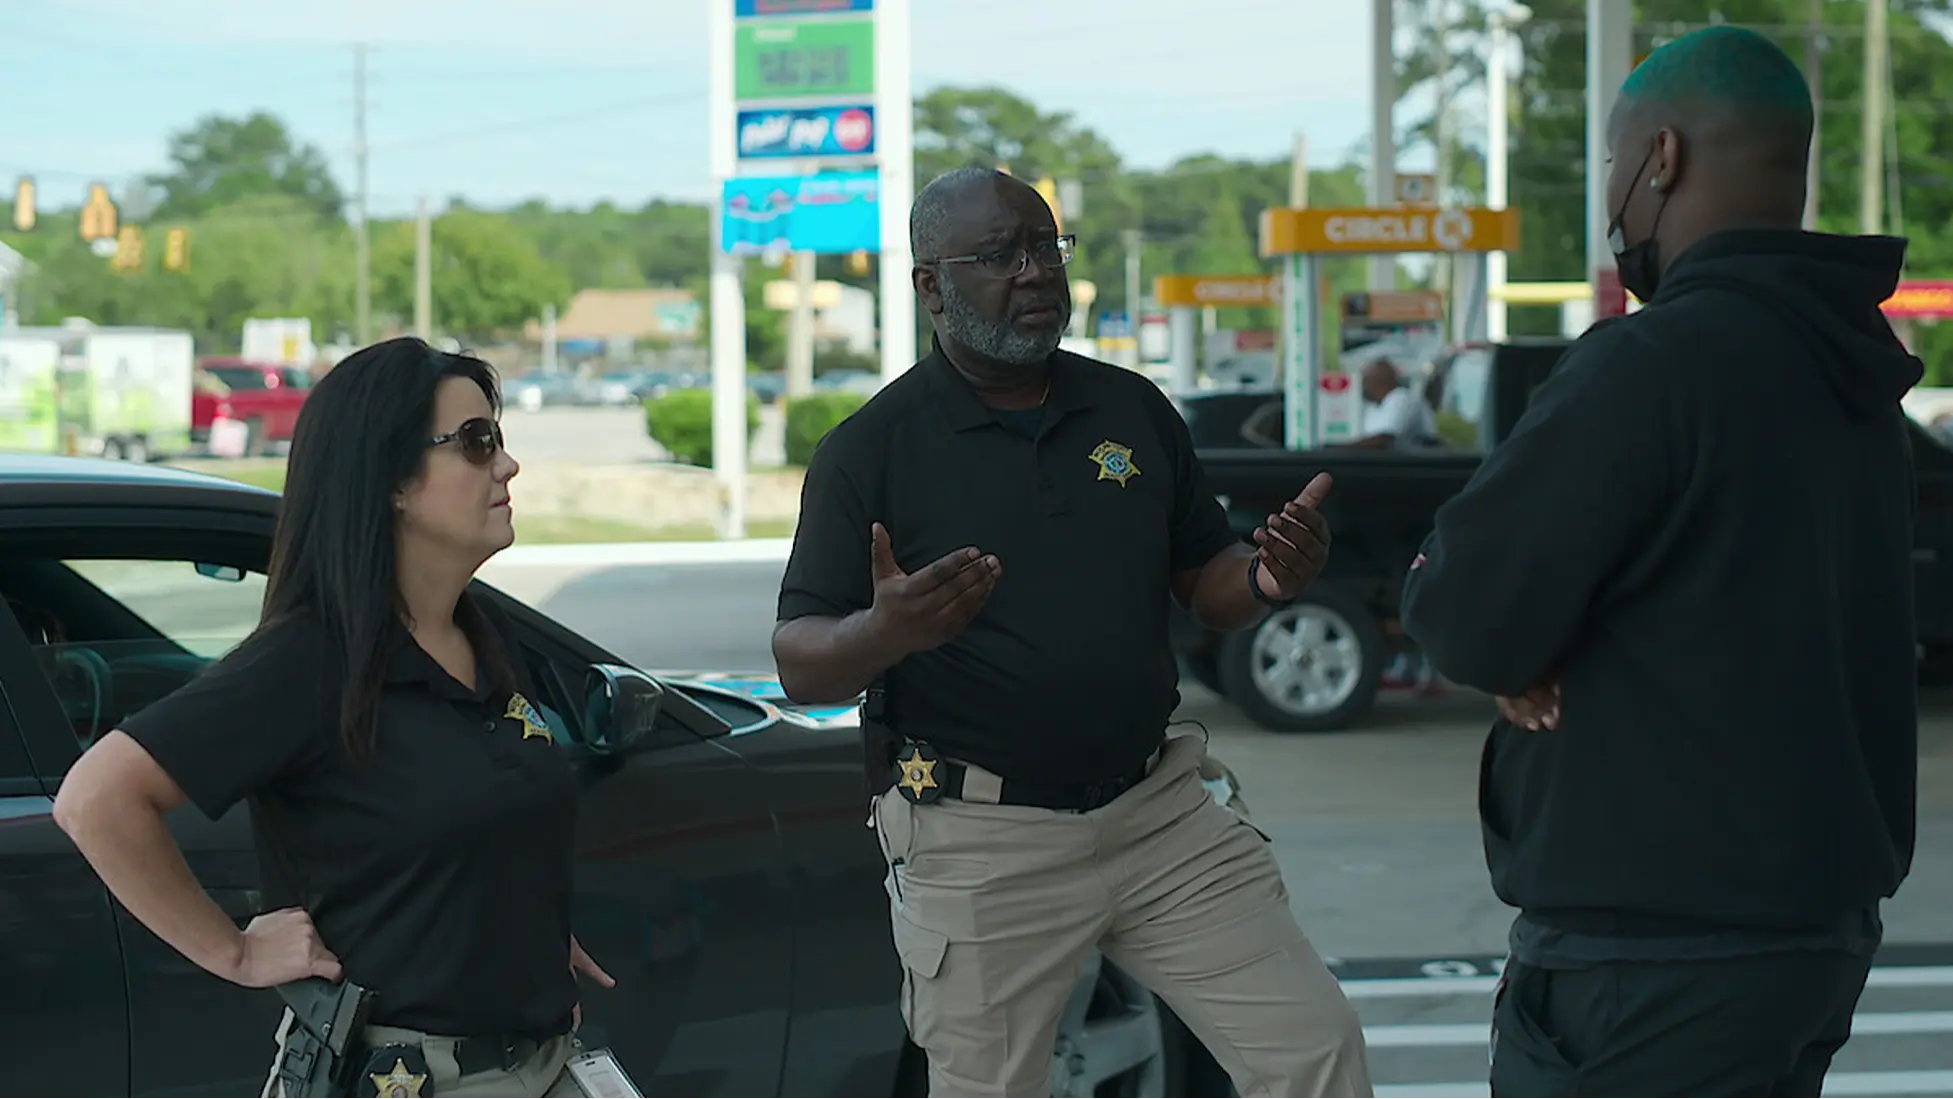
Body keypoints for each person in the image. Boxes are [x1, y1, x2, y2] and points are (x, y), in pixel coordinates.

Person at [1397, 27, 1920, 1099]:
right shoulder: (1854, 376)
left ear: (1662, 160)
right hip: (1810, 945)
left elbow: (1463, 608)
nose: (1612, 198)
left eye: (1610, 168)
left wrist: (1504, 630)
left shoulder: (1651, 363)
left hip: (1649, 968)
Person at [771, 166, 1372, 1099]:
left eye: (1045, 247)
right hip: (980, 839)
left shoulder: (1130, 410)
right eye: (1000, 256)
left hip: (1159, 815)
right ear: (930, 284)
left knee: (1314, 1048)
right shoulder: (870, 450)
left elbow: (1203, 581)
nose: (1034, 273)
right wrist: (884, 631)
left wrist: (1262, 576)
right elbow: (800, 662)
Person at [52, 337, 616, 1099]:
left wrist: (510, 921)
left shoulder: (482, 632)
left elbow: (465, 814)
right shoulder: (311, 660)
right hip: (408, 1077)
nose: (507, 465)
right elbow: (96, 798)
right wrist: (237, 952)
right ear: (390, 480)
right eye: (476, 442)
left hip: (545, 1059)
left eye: (499, 438)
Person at [1343, 358, 1442, 451]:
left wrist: (1341, 449)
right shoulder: (1372, 407)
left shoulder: (1402, 398)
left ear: (1379, 381)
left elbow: (1383, 439)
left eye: (1365, 380)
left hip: (1414, 464)